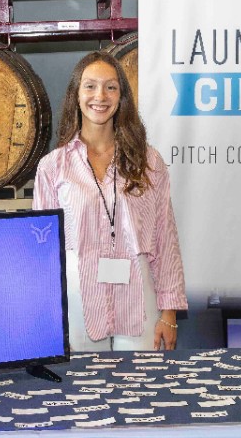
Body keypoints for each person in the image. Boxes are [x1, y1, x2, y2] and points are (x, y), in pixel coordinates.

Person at [34, 51, 186, 351]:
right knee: (82, 390)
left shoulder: (149, 162)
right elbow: (43, 249)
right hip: (77, 293)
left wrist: (169, 313)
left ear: (121, 97)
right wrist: (45, 314)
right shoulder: (53, 167)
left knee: (140, 390)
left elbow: (165, 237)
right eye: (90, 86)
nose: (100, 96)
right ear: (76, 95)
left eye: (110, 87)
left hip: (138, 290)